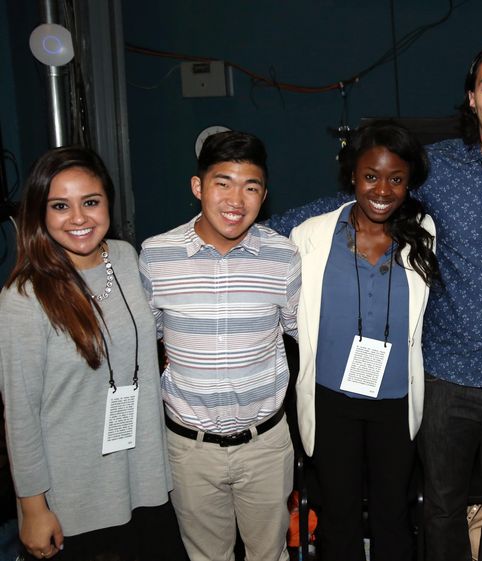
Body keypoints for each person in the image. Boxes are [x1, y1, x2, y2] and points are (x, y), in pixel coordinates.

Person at [269, 43, 482, 561]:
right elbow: (369, 197)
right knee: (441, 509)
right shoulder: (440, 166)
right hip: (447, 376)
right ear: (472, 98)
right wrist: (252, 232)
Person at [0, 147, 182, 560]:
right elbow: (20, 415)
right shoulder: (23, 298)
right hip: (76, 501)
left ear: (108, 205)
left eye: (91, 202)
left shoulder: (126, 257)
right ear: (39, 213)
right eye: (60, 206)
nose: (79, 218)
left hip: (146, 480)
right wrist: (32, 508)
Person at [139, 131, 301, 561]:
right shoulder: (156, 256)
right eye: (222, 182)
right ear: (198, 187)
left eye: (250, 187)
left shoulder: (283, 257)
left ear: (264, 196)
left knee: (272, 555)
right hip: (190, 450)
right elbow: (147, 341)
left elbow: (304, 332)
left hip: (265, 444)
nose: (236, 199)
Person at [291, 121, 438, 560]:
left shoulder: (425, 233)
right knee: (338, 518)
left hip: (396, 402)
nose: (382, 189)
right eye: (371, 176)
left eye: (396, 179)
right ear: (352, 175)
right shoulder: (311, 236)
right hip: (331, 400)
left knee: (394, 518)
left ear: (409, 183)